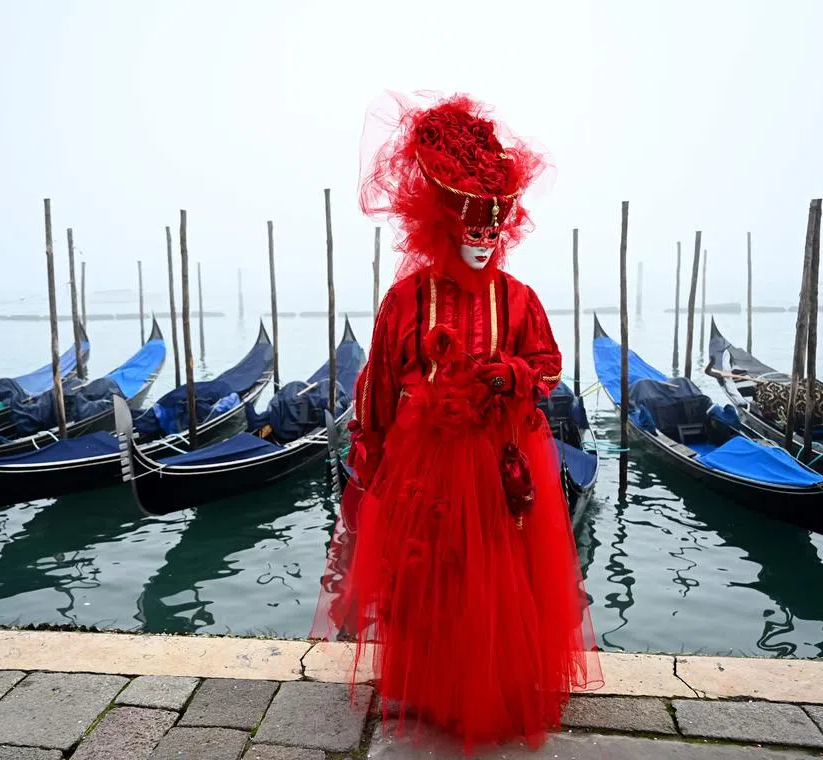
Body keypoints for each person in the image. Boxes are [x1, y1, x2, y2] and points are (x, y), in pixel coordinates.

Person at [311, 92, 602, 753]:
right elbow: (378, 384)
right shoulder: (407, 299)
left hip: (502, 460)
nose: (482, 246)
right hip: (428, 466)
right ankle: (438, 689)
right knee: (433, 577)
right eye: (471, 234)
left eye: (492, 235)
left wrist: (514, 377)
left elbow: (549, 366)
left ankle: (494, 688)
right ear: (444, 229)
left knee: (500, 582)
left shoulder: (520, 299)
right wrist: (375, 457)